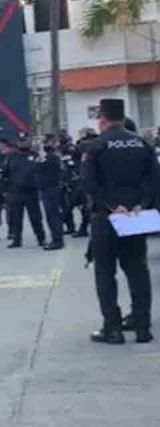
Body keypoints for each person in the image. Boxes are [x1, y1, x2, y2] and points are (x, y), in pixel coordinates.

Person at [82, 98, 160, 344]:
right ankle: (142, 327)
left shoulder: (96, 146)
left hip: (107, 217)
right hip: (136, 217)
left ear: (103, 119)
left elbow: (88, 183)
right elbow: (155, 180)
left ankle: (112, 329)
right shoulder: (142, 143)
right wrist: (141, 204)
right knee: (138, 270)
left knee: (105, 272)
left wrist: (112, 206)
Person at [3, 132, 46, 248]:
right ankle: (17, 240)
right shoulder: (12, 156)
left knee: (36, 217)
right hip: (16, 191)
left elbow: (40, 172)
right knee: (16, 218)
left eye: (25, 141)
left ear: (29, 141)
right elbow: (6, 174)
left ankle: (41, 238)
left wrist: (40, 188)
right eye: (21, 141)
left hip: (31, 191)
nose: (23, 143)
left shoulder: (35, 155)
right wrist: (5, 190)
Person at [36, 134, 65, 250]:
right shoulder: (47, 156)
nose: (44, 145)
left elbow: (44, 167)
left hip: (52, 188)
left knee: (53, 215)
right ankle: (56, 238)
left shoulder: (53, 156)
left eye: (46, 142)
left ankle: (57, 240)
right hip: (46, 188)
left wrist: (41, 158)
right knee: (50, 215)